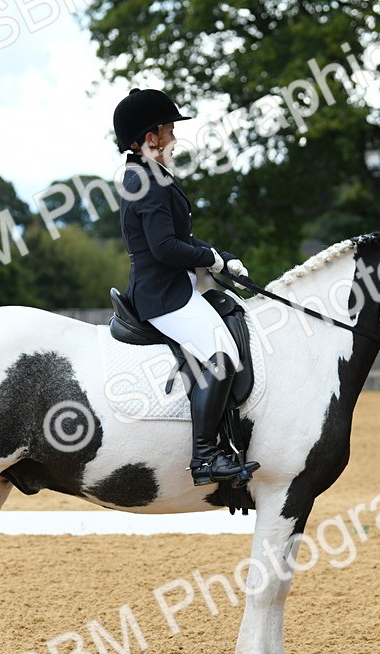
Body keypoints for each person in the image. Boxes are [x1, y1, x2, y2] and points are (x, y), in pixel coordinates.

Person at [113, 88, 259, 487]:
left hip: (171, 286)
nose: (175, 136)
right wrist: (210, 259)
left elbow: (180, 239)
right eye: (169, 129)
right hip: (163, 294)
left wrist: (221, 256)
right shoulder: (147, 181)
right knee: (222, 354)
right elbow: (164, 247)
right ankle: (205, 459)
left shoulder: (147, 175)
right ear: (150, 138)